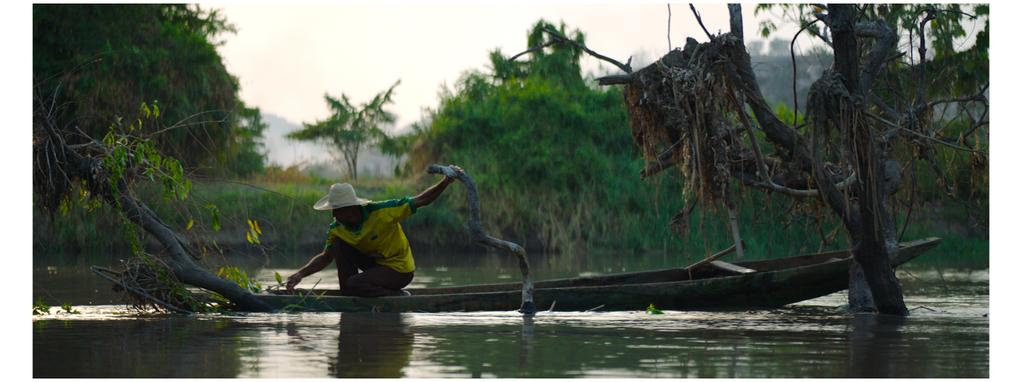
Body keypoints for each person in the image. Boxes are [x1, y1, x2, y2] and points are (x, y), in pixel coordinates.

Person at [285, 165, 462, 297]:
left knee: (354, 283)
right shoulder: (337, 228)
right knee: (341, 256)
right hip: (374, 266)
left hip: (399, 270)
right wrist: (300, 274)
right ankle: (352, 294)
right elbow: (326, 257)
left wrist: (446, 181)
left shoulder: (382, 212)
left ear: (349, 209)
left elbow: (421, 200)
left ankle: (393, 296)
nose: (333, 214)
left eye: (336, 210)